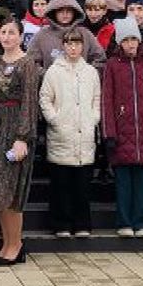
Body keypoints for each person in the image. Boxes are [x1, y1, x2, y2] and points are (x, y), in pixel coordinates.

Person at [0, 15, 39, 264]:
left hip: (16, 128)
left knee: (12, 191)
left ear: (21, 36)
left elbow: (30, 103)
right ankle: (7, 243)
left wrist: (23, 137)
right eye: (4, 32)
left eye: (12, 32)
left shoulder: (27, 64)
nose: (7, 37)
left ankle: (16, 244)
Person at [101, 18, 143, 237]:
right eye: (126, 40)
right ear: (119, 42)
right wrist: (109, 131)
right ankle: (124, 222)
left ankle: (142, 220)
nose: (130, 44)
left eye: (133, 40)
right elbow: (106, 99)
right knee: (124, 182)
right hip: (121, 131)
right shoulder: (112, 65)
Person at [40, 28, 101, 239]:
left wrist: (93, 118)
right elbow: (45, 99)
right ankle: (61, 223)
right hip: (61, 134)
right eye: (69, 43)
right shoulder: (54, 71)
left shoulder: (90, 72)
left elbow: (96, 99)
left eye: (77, 43)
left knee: (82, 185)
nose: (73, 47)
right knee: (61, 184)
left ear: (83, 46)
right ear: (63, 46)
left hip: (84, 134)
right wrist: (55, 120)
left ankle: (82, 223)